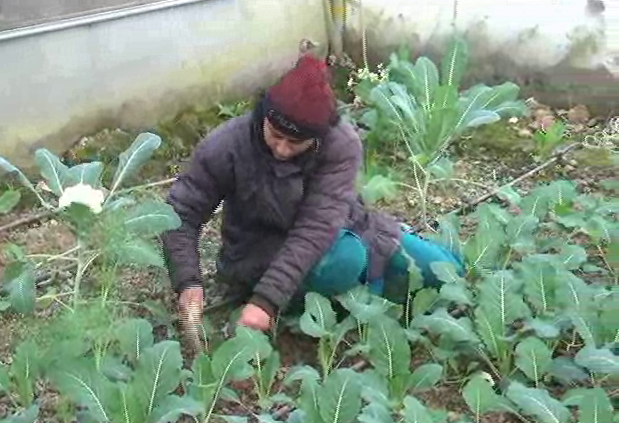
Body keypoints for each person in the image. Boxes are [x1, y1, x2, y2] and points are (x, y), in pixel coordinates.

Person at [160, 54, 464, 332]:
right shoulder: (227, 145)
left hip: (347, 229)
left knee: (447, 270)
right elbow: (180, 213)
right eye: (276, 135)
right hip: (259, 252)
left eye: (295, 143)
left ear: (318, 138)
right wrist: (187, 280)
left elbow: (316, 226)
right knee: (347, 260)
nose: (281, 148)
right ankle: (361, 292)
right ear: (264, 116)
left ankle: (366, 287)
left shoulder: (341, 145)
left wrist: (266, 301)